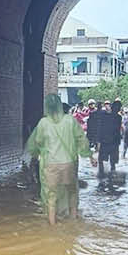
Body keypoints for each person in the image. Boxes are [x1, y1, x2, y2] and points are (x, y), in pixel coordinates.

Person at [25, 92, 91, 225]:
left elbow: (36, 142)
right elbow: (81, 138)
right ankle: (73, 219)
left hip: (50, 164)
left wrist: (36, 154)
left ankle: (52, 224)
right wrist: (88, 155)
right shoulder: (70, 120)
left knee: (51, 195)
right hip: (69, 162)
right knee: (72, 191)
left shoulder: (43, 123)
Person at [88, 99, 124, 179]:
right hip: (108, 140)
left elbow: (117, 130)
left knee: (111, 160)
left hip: (111, 141)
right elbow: (101, 127)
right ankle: (103, 173)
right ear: (113, 107)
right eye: (116, 107)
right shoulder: (111, 116)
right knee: (104, 159)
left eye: (118, 108)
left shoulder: (116, 117)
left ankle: (105, 174)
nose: (117, 109)